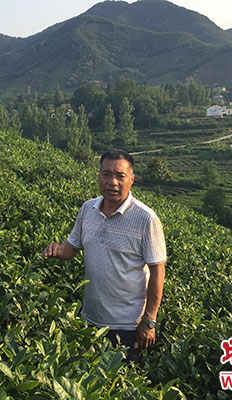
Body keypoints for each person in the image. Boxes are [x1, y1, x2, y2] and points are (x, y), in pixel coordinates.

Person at [42, 150, 167, 361]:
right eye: (106, 174)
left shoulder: (146, 219)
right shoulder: (88, 209)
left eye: (120, 176)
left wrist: (149, 321)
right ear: (99, 176)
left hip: (127, 326)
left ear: (131, 179)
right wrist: (57, 250)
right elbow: (71, 248)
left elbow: (158, 272)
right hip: (89, 320)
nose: (112, 182)